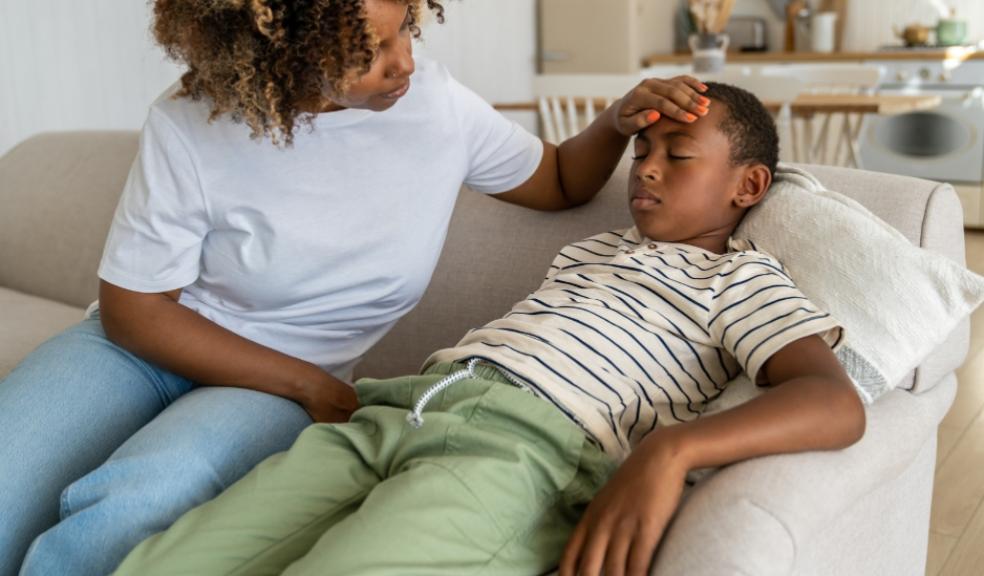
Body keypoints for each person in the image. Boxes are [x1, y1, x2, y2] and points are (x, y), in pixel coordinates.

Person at [0, 1, 712, 575]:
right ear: (282, 50)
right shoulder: (192, 120)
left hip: (270, 383)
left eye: (405, 25)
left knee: (133, 500)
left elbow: (558, 180)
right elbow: (134, 311)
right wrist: (316, 389)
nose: (404, 60)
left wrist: (619, 123)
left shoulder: (435, 105)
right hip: (139, 345)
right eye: (367, 49)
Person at [112, 82, 867, 576]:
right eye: (642, 152)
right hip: (395, 412)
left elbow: (834, 403)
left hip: (521, 455)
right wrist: (616, 118)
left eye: (678, 156)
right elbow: (576, 175)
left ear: (749, 186)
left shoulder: (741, 278)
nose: (646, 169)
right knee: (168, 562)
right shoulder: (597, 249)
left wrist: (673, 449)